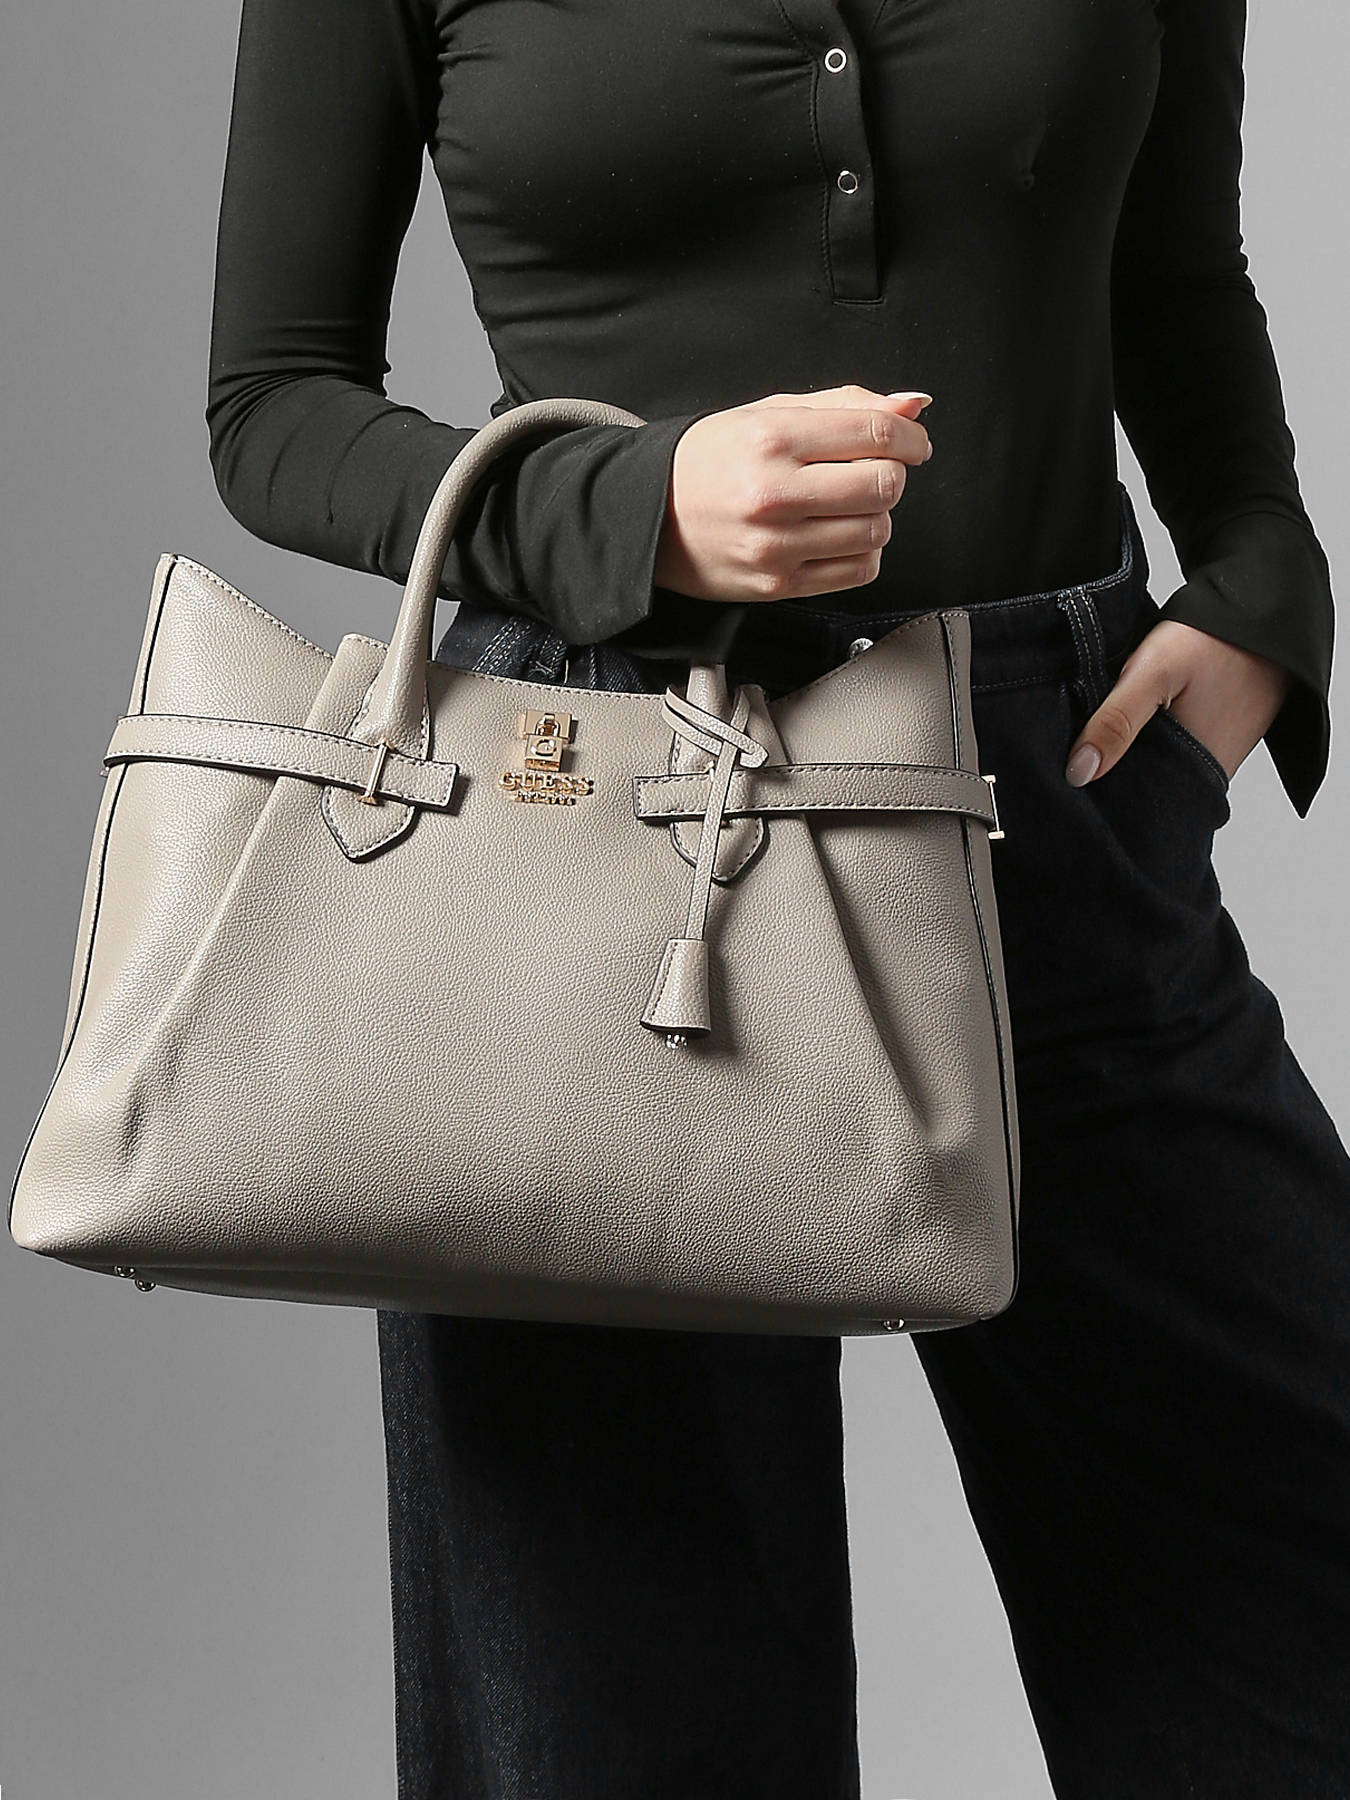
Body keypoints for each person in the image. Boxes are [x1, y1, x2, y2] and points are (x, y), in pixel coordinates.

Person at [205, 0, 1350, 1793]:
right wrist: (623, 504)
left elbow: (1175, 268)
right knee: (622, 1734)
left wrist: (1261, 577)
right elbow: (271, 401)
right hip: (588, 851)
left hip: (1057, 805)